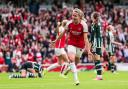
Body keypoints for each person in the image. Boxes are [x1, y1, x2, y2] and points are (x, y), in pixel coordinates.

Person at [51, 8, 92, 85]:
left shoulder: (84, 25)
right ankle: (76, 79)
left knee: (76, 63)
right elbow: (62, 34)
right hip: (71, 44)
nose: (73, 17)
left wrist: (88, 50)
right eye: (72, 15)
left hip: (80, 45)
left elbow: (86, 39)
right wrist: (56, 40)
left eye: (75, 16)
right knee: (71, 59)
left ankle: (70, 68)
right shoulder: (69, 23)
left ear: (79, 16)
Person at [90, 12, 103, 80]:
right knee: (96, 59)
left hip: (96, 42)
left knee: (96, 59)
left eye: (92, 16)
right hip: (99, 42)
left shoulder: (94, 24)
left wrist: (90, 44)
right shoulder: (99, 23)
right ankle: (99, 75)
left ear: (93, 17)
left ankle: (99, 76)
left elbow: (92, 35)